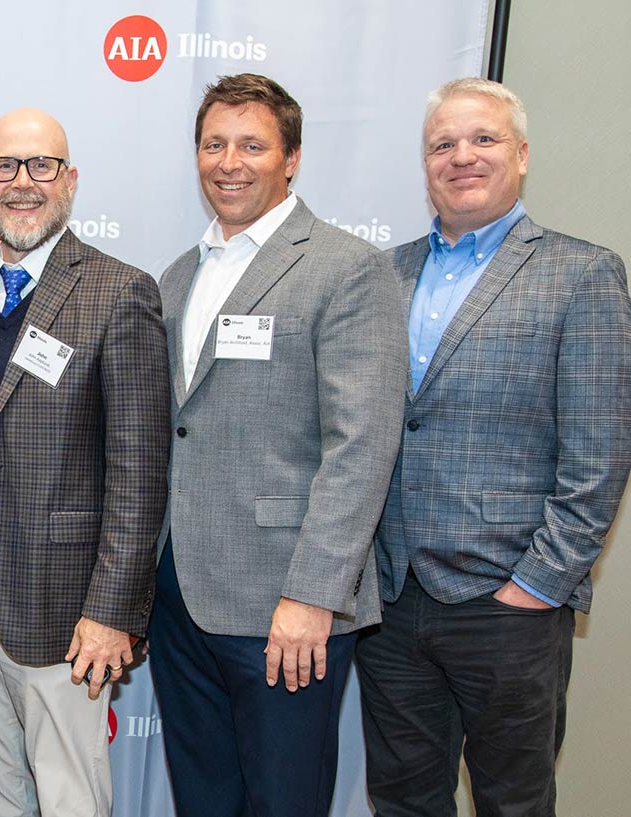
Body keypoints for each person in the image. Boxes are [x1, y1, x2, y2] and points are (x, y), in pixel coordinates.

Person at [355, 77, 631, 817]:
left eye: (483, 139)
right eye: (443, 143)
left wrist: (535, 588)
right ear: (425, 164)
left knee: (514, 803)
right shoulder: (382, 275)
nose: (462, 156)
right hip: (391, 601)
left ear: (523, 154)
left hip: (508, 606)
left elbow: (599, 458)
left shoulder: (582, 274)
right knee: (403, 801)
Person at [149, 73, 406, 817]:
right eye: (214, 144)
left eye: (252, 145)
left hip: (285, 605)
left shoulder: (345, 267)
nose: (230, 161)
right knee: (203, 799)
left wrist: (312, 594)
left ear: (290, 158)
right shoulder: (178, 276)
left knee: (283, 802)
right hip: (182, 596)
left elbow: (362, 444)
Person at [0, 108, 169, 817]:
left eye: (41, 166)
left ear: (70, 181)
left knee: (71, 796)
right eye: (4, 166)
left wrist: (110, 611)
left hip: (64, 611)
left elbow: (141, 470)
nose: (22, 183)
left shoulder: (118, 290)